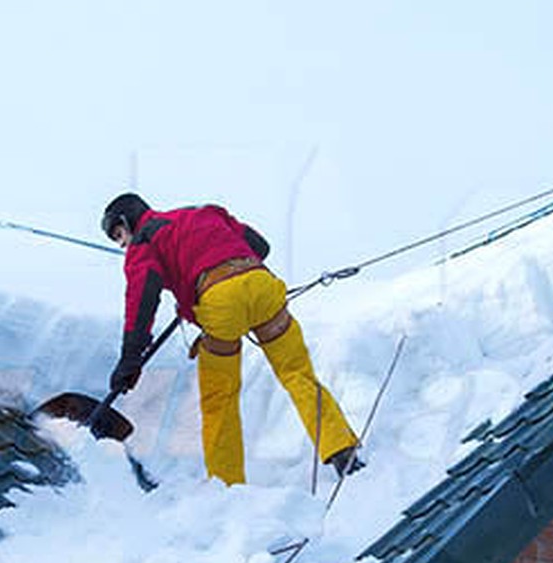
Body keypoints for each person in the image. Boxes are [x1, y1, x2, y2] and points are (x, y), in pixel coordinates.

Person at [102, 192, 362, 486]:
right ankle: (343, 450)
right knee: (298, 374)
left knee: (219, 401)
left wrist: (130, 359)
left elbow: (142, 299)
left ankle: (227, 485)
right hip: (263, 287)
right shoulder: (202, 212)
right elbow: (260, 246)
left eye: (119, 234)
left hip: (221, 303)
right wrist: (199, 271)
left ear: (127, 221)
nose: (123, 244)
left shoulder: (143, 243)